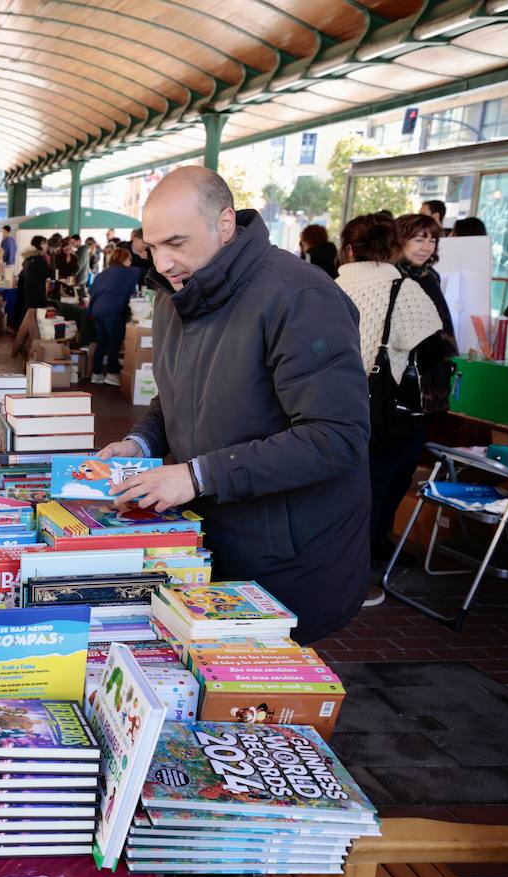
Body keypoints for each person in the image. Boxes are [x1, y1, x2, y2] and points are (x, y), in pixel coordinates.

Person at [99, 166, 371, 645]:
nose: (163, 263)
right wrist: (140, 440)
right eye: (153, 246)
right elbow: (179, 391)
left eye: (177, 243)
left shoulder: (299, 296)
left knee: (262, 700)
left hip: (287, 552)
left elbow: (336, 436)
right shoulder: (177, 295)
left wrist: (198, 475)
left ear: (225, 224)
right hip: (211, 535)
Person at [335, 213, 444, 584]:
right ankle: (367, 559)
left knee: (339, 486)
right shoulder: (406, 290)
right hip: (384, 407)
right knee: (382, 483)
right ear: (395, 247)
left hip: (333, 405)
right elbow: (431, 352)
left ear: (349, 249)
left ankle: (339, 561)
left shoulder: (328, 288)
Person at [87, 246, 140, 385]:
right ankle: (112, 373)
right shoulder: (128, 272)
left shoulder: (104, 273)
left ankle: (96, 374)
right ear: (123, 259)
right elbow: (140, 273)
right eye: (129, 258)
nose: (131, 261)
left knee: (102, 342)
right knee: (114, 343)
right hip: (112, 311)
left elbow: (92, 290)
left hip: (98, 311)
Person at [12, 234, 51, 332]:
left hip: (28, 289)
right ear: (41, 244)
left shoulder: (30, 257)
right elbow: (48, 272)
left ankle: (21, 331)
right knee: (31, 313)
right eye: (45, 243)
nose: (47, 245)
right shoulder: (38, 258)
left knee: (26, 311)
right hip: (35, 291)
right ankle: (25, 333)